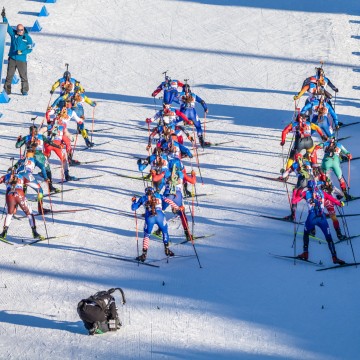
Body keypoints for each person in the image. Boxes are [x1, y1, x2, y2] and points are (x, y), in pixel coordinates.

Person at [297, 180, 345, 265]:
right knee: (329, 238)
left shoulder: (306, 193)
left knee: (306, 233)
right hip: (322, 218)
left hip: (311, 218)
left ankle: (305, 253)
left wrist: (297, 191)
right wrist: (340, 203)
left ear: (308, 187)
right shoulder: (322, 192)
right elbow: (333, 199)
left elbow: (294, 201)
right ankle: (334, 257)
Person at [131, 187, 177, 262]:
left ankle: (144, 254)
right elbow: (168, 200)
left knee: (147, 235)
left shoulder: (143, 198)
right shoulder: (158, 195)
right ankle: (167, 249)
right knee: (165, 231)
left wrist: (134, 201)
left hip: (149, 217)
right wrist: (177, 207)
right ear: (153, 191)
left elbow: (133, 208)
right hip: (160, 216)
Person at [0, 167, 44, 241]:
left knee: (9, 213)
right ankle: (35, 232)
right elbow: (35, 185)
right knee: (29, 213)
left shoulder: (5, 176)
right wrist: (40, 192)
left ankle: (4, 233)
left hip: (9, 195)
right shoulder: (22, 176)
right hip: (20, 194)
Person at [1, 8, 33, 96]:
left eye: (21, 30)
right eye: (19, 30)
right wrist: (4, 17)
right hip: (12, 58)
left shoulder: (27, 38)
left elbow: (30, 48)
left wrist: (22, 52)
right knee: (9, 76)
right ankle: (7, 90)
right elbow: (7, 27)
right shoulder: (13, 34)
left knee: (23, 76)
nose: (20, 31)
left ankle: (24, 90)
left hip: (21, 60)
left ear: (24, 29)